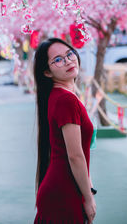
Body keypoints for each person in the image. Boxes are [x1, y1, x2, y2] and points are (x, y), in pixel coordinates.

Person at [33, 38, 96, 224]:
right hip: (63, 193)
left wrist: (88, 189)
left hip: (64, 188)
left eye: (69, 54)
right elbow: (75, 155)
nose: (68, 60)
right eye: (58, 60)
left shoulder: (61, 96)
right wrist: (89, 198)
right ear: (47, 72)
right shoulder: (65, 100)